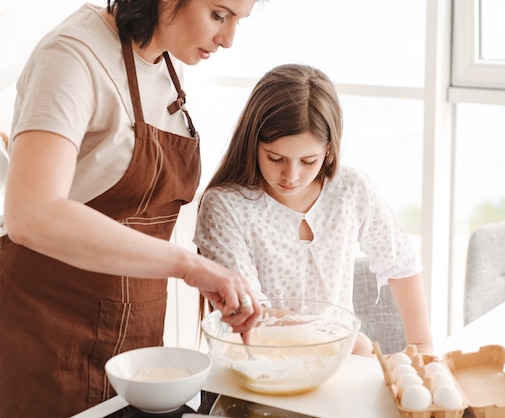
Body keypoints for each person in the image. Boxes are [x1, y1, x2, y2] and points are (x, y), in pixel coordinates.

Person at [0, 1, 262, 416]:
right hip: (49, 335)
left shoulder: (162, 62)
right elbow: (31, 213)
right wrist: (188, 267)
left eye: (238, 21)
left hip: (134, 342)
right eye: (219, 14)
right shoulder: (72, 56)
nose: (228, 39)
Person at [194, 64, 433, 357]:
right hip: (258, 367)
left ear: (329, 150)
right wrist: (338, 337)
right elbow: (250, 309)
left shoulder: (351, 189)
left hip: (341, 366)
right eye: (275, 158)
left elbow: (401, 263)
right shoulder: (225, 206)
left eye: (308, 161)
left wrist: (423, 345)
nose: (290, 176)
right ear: (252, 143)